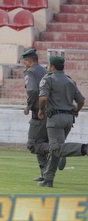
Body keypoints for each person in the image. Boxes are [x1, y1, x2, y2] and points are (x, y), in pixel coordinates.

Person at [37, 56, 86, 188]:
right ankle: (48, 180)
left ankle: (84, 148)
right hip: (69, 118)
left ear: (52, 66)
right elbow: (81, 100)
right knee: (56, 149)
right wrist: (75, 111)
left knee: (56, 148)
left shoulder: (48, 79)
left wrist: (41, 110)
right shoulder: (70, 81)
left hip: (55, 117)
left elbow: (43, 98)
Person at [21, 48, 66, 182]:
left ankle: (59, 151)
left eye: (24, 61)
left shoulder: (30, 72)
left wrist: (29, 105)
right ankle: (45, 174)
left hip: (39, 112)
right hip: (50, 110)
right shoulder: (44, 70)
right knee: (42, 143)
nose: (24, 64)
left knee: (33, 144)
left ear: (29, 61)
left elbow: (33, 90)